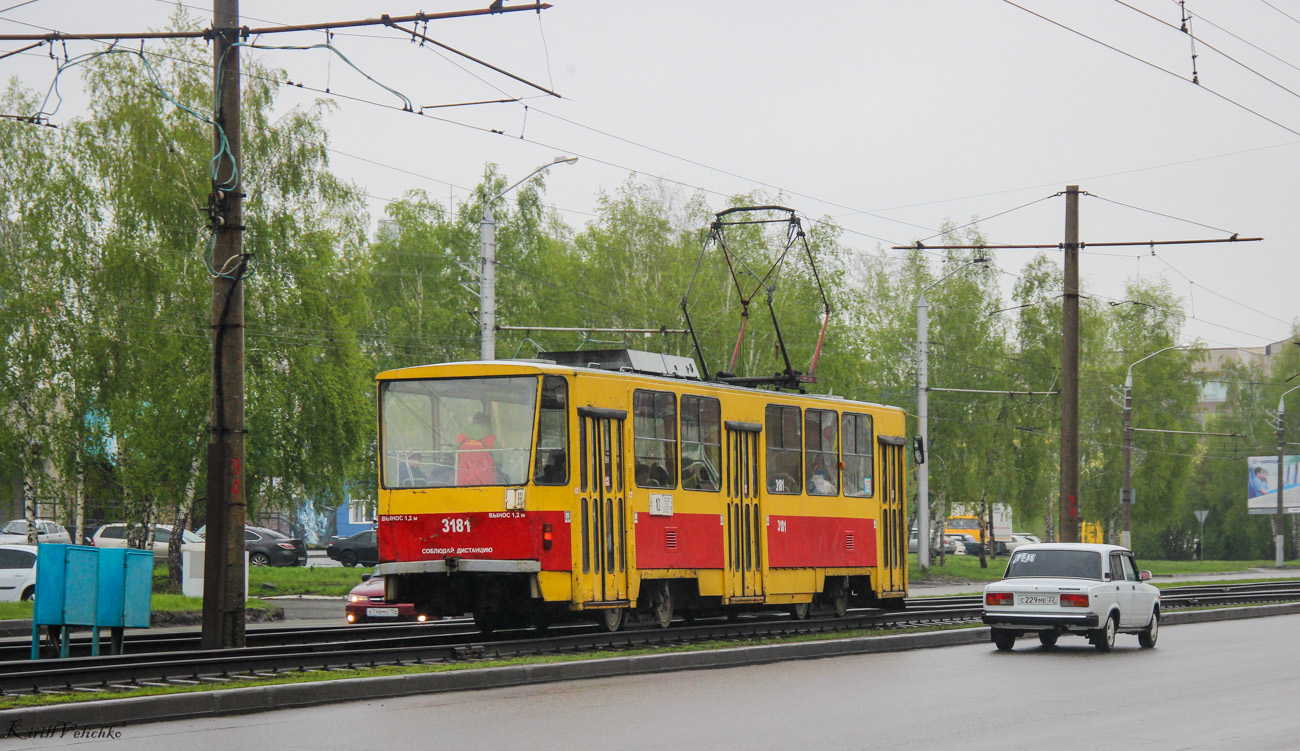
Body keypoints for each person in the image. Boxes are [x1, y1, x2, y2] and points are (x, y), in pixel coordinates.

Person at [457, 412, 498, 485]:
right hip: (486, 481)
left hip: (463, 480)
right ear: (486, 424)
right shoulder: (492, 439)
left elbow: (454, 456)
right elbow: (498, 460)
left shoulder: (461, 438)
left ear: (473, 422)